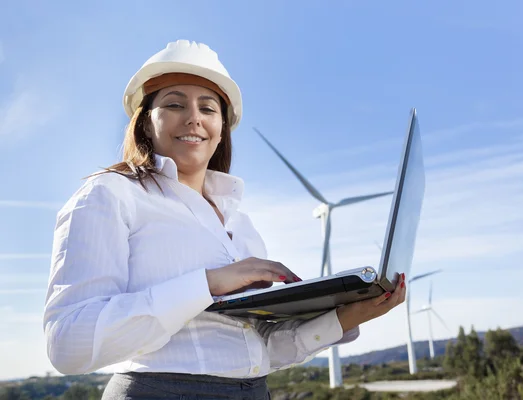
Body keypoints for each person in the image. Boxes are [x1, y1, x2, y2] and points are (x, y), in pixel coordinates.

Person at [43, 40, 407, 400]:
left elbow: (256, 353)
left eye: (208, 108)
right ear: (145, 122)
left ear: (221, 129)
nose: (193, 118)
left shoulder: (240, 223)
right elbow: (68, 345)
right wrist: (209, 283)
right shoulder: (109, 194)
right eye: (173, 104)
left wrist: (348, 316)